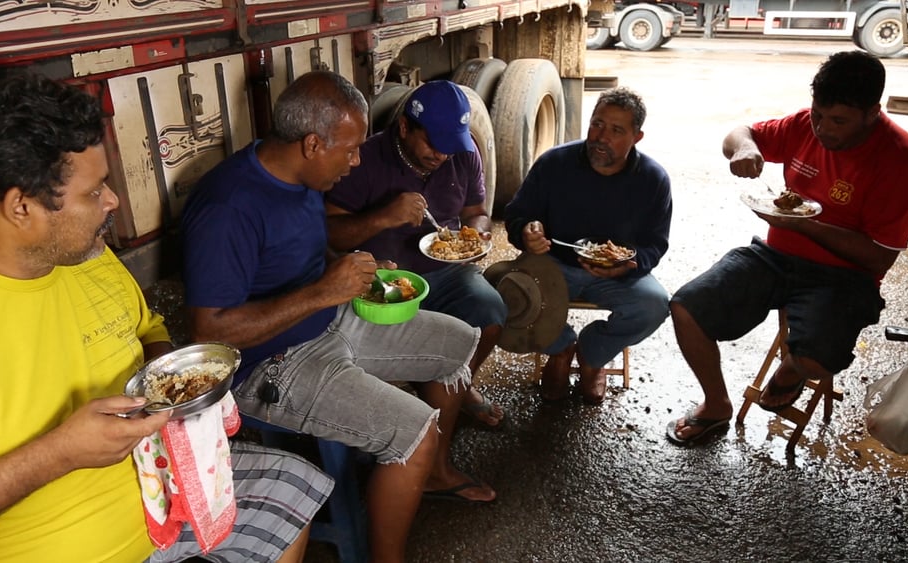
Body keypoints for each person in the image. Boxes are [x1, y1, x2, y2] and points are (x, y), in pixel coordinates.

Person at [0, 74, 334, 563]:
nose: (113, 200)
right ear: (21, 207)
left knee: (292, 488)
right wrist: (59, 454)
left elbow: (147, 332)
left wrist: (175, 385)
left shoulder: (86, 258)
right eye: (94, 192)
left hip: (157, 486)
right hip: (51, 544)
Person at [180, 70, 497, 563]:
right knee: (413, 429)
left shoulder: (304, 177)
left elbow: (309, 253)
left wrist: (355, 275)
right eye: (349, 150)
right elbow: (210, 333)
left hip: (330, 318)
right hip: (270, 363)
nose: (355, 161)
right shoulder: (229, 206)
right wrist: (322, 292)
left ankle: (433, 473)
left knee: (458, 341)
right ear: (311, 143)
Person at [666, 51, 908, 445]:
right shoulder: (804, 124)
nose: (822, 129)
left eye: (838, 121)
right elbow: (740, 132)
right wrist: (745, 148)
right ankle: (716, 404)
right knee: (686, 307)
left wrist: (809, 226)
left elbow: (880, 255)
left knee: (817, 360)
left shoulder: (901, 159)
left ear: (873, 113)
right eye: (819, 114)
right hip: (775, 257)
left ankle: (791, 369)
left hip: (845, 276)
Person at [325, 80, 507, 428]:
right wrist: (383, 217)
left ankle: (459, 385)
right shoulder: (364, 158)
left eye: (450, 146)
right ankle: (426, 395)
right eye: (433, 143)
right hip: (385, 277)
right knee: (361, 341)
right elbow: (330, 232)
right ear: (405, 126)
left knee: (491, 312)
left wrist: (478, 233)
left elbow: (476, 211)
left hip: (447, 272)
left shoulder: (464, 153)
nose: (442, 155)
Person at [503, 86, 672, 405]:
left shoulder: (653, 180)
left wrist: (630, 262)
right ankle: (561, 347)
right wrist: (526, 231)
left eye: (616, 130)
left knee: (654, 305)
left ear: (637, 137)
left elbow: (655, 244)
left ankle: (594, 355)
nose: (601, 136)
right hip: (554, 266)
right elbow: (517, 214)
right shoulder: (555, 163)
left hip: (618, 276)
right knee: (505, 290)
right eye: (597, 124)